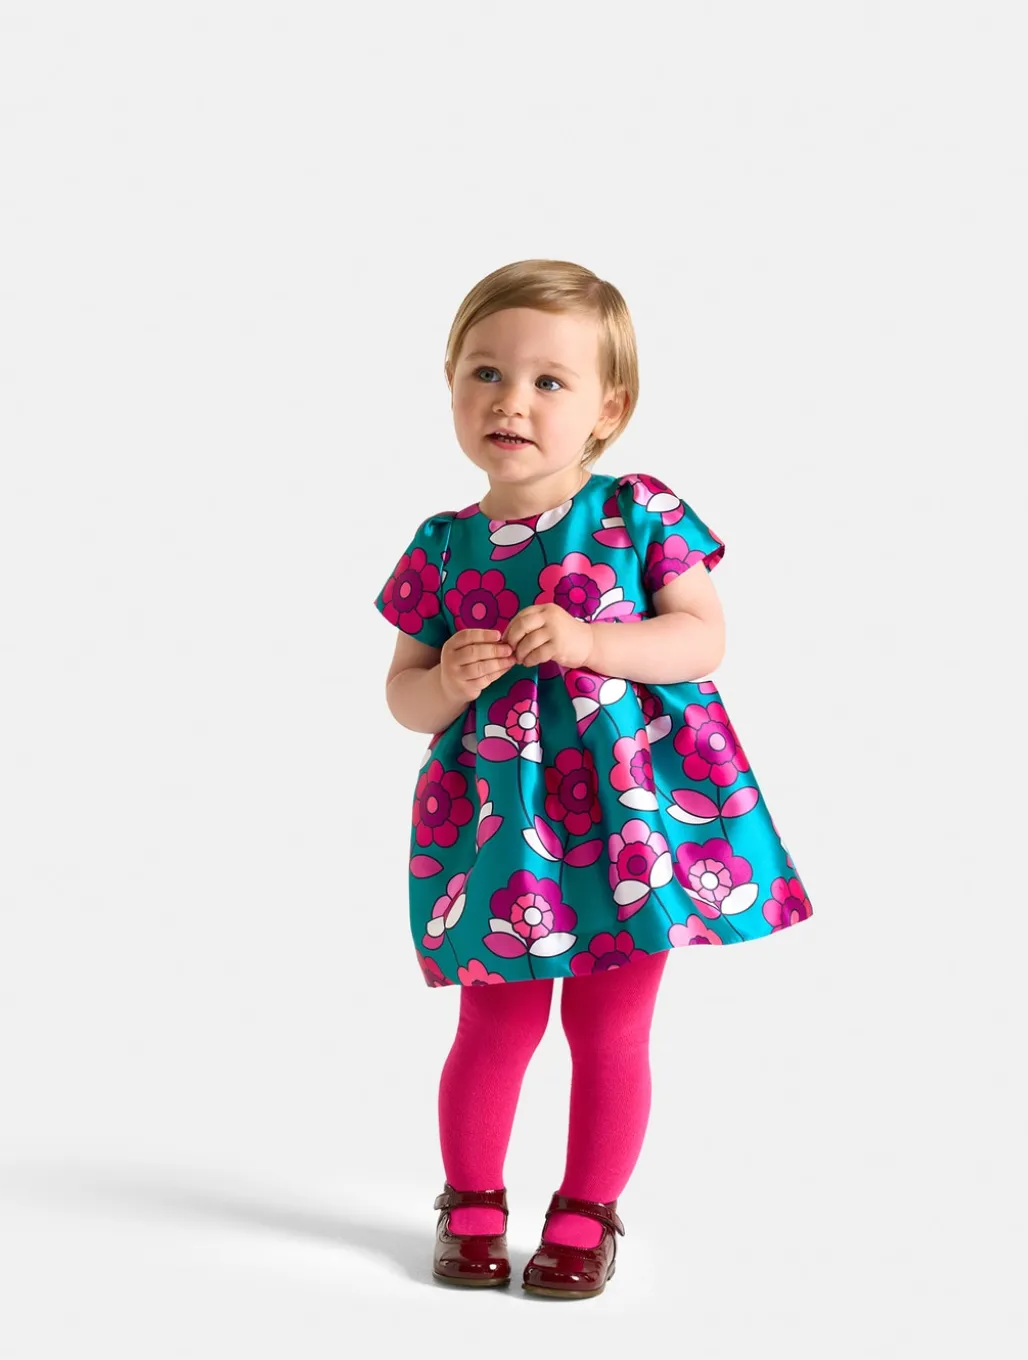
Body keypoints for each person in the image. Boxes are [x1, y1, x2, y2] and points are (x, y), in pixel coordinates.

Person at [375, 259, 814, 1299]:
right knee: (495, 1020)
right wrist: (446, 680)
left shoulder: (633, 511)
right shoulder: (443, 547)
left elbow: (701, 637)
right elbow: (402, 697)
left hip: (630, 826)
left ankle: (585, 1210)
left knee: (609, 1026)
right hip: (503, 830)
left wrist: (591, 641)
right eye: (485, 373)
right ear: (451, 386)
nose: (510, 401)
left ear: (607, 409)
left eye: (548, 381)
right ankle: (471, 1200)